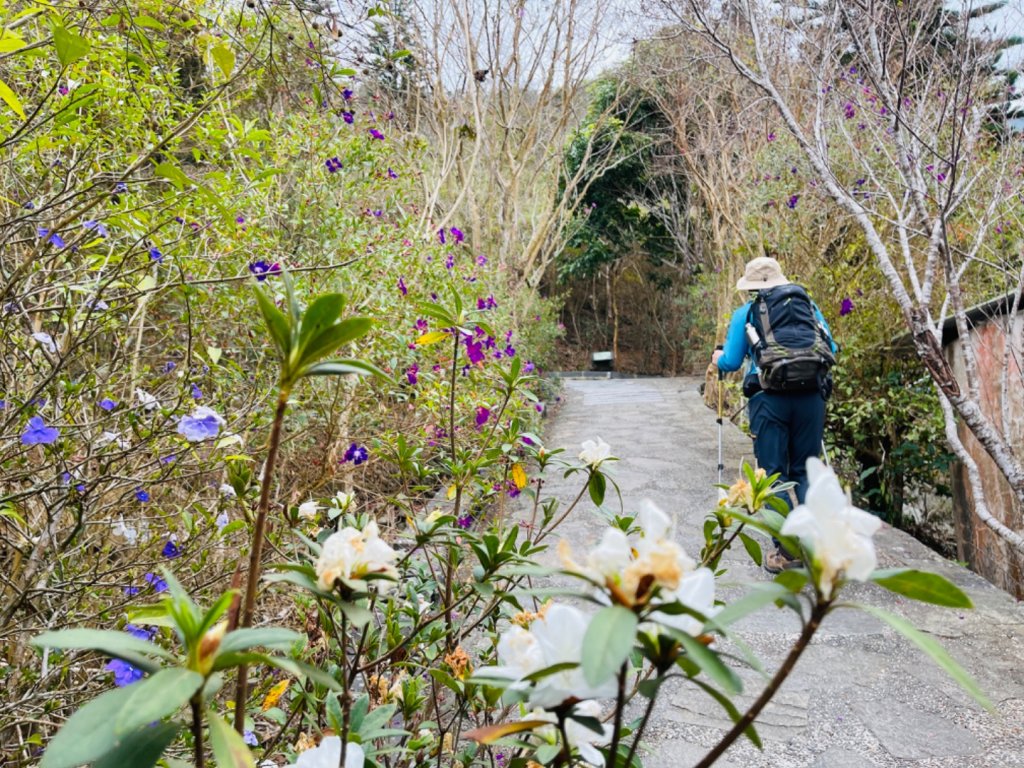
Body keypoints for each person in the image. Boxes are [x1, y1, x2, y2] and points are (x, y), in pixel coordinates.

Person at [712, 256, 836, 574]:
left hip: (770, 400)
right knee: (806, 471)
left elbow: (730, 361)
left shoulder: (748, 313)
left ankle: (788, 553)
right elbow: (831, 348)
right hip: (811, 397)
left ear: (753, 286)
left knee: (773, 478)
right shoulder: (808, 306)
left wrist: (718, 357)